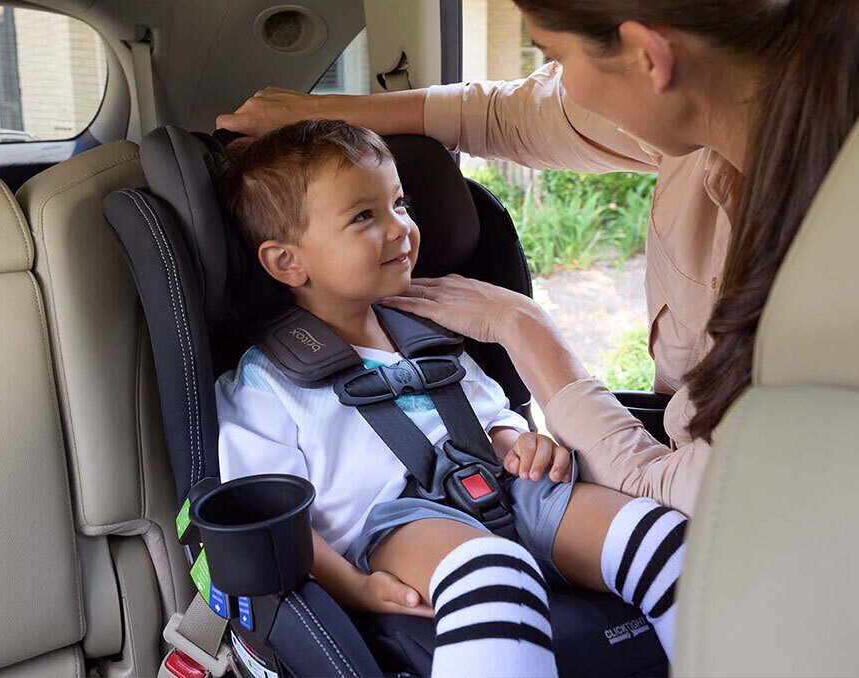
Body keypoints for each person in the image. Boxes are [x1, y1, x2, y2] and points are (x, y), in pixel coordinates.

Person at [216, 0, 859, 518]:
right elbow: (513, 113)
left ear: (649, 55)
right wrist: (323, 113)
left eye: (554, 56)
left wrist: (523, 330)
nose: (558, 83)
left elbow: (698, 503)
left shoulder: (827, 269)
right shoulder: (726, 114)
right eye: (362, 215)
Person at [213, 119, 688, 677]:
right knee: (495, 575)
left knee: (666, 541)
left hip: (510, 489)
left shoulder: (429, 332)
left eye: (400, 204)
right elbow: (280, 524)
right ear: (287, 262)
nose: (400, 229)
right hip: (394, 525)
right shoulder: (266, 383)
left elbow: (491, 418)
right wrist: (357, 588)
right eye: (364, 216)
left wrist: (522, 443)